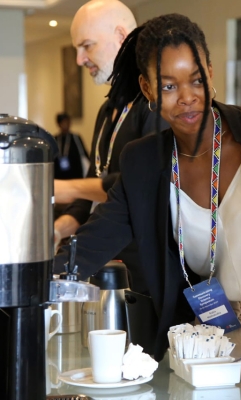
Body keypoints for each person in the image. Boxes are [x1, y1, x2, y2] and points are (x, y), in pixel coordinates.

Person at [54, 14, 241, 400]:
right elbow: (98, 236)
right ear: (147, 88)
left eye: (196, 79)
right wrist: (45, 275)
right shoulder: (145, 163)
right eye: (169, 86)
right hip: (212, 342)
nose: (187, 96)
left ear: (210, 72)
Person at [54, 0, 167, 294]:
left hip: (149, 272)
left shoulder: (153, 105)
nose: (79, 59)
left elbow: (137, 185)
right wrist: (56, 230)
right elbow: (94, 183)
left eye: (87, 46)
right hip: (110, 265)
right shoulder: (108, 111)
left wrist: (67, 188)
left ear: (121, 36)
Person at [53, 112, 89, 180]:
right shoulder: (55, 139)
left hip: (75, 176)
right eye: (63, 122)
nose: (65, 124)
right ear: (59, 124)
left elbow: (84, 155)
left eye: (67, 122)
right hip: (59, 177)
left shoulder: (75, 138)